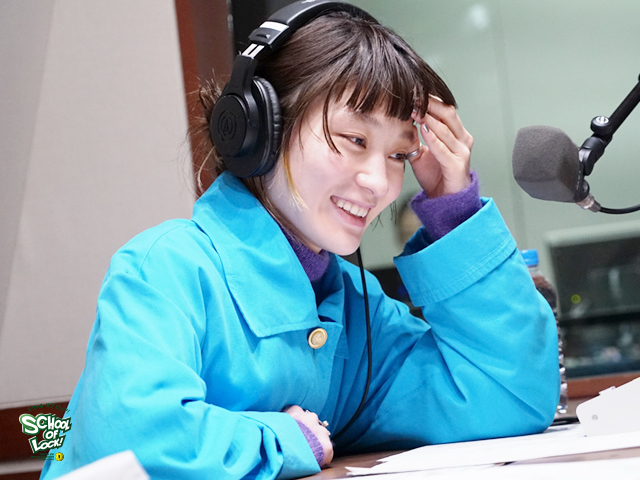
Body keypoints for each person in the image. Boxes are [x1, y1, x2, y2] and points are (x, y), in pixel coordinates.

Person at [41, 2, 560, 479]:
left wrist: (454, 210)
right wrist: (288, 439)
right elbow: (132, 444)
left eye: (398, 156)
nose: (379, 184)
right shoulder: (166, 269)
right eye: (355, 139)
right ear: (261, 129)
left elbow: (508, 395)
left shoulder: (354, 312)